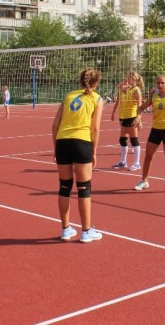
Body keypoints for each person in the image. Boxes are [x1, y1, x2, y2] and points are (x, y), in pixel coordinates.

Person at [52, 68, 105, 243]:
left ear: (80, 81)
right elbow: (95, 128)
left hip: (62, 141)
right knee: (84, 188)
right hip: (81, 142)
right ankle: (86, 231)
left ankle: (65, 230)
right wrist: (94, 151)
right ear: (96, 83)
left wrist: (56, 148)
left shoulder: (68, 96)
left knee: (64, 187)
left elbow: (55, 125)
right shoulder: (97, 98)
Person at [111, 71, 144, 171]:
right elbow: (118, 87)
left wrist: (139, 119)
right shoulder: (126, 88)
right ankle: (123, 162)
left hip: (132, 117)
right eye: (128, 76)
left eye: (130, 77)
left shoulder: (136, 90)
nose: (128, 78)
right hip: (123, 117)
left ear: (134, 78)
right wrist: (113, 113)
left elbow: (140, 106)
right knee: (122, 139)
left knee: (134, 139)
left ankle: (137, 163)